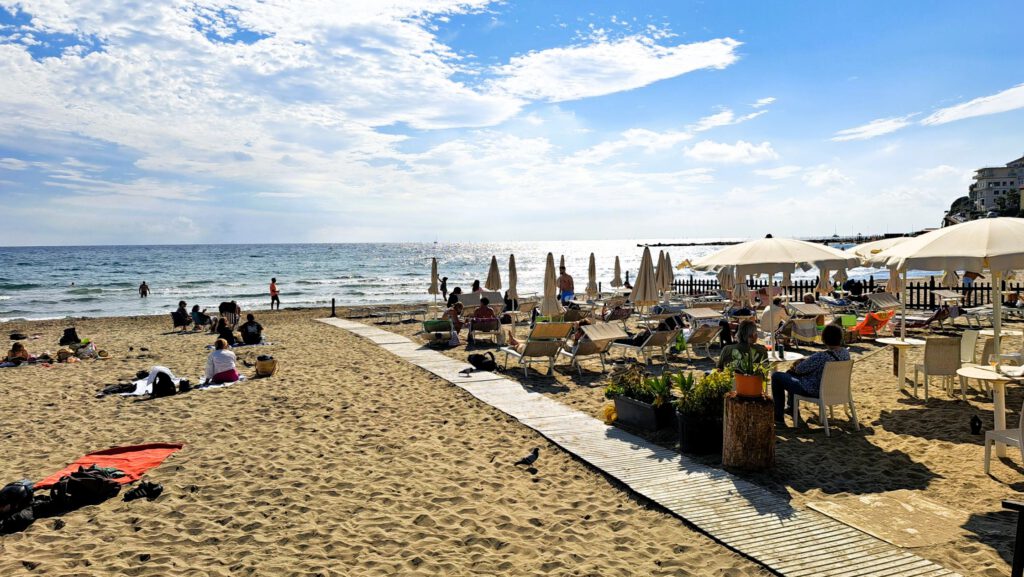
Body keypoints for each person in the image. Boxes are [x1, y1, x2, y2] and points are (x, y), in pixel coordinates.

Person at [770, 324, 850, 425]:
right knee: (789, 375)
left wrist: (799, 363)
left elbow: (799, 370)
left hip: (814, 390)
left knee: (777, 376)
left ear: (824, 339)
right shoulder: (845, 353)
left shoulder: (821, 356)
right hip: (835, 390)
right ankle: (791, 407)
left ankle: (779, 416)